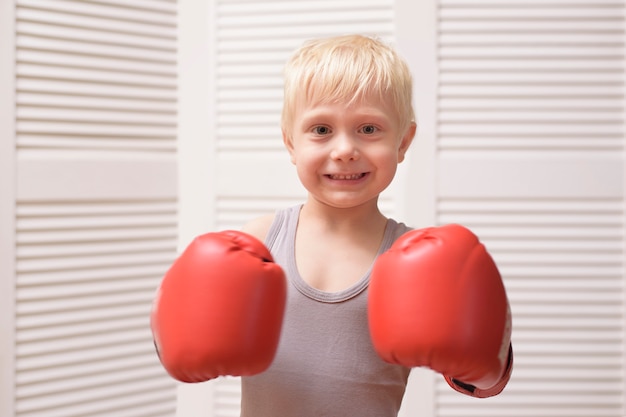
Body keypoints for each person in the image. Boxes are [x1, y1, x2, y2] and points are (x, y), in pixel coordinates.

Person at [151, 34, 512, 417]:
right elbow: (173, 340)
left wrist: (480, 361)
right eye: (321, 130)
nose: (344, 150)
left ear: (403, 142)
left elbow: (487, 378)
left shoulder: (420, 255)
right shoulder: (259, 240)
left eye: (369, 129)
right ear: (290, 142)